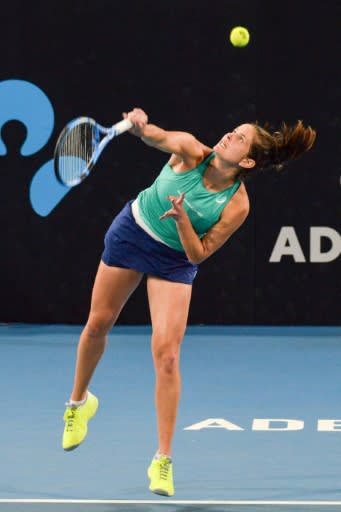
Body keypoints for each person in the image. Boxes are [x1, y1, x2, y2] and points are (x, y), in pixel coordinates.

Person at [61, 108, 316, 496]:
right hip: (134, 232)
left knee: (167, 355)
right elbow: (158, 137)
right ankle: (78, 404)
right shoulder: (190, 151)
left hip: (175, 258)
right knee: (97, 324)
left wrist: (182, 219)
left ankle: (162, 461)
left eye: (239, 138)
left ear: (246, 161)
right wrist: (142, 128)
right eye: (232, 130)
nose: (228, 136)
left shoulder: (236, 205)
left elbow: (197, 255)